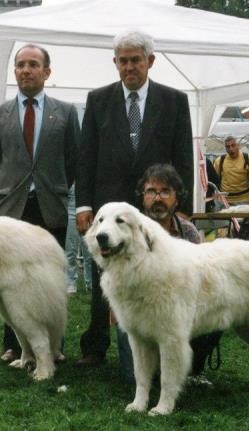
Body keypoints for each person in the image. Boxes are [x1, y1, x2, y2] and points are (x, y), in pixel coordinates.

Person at [75, 30, 193, 367]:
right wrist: (85, 205)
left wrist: (181, 208)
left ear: (150, 62)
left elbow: (183, 158)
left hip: (155, 207)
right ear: (115, 63)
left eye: (135, 60)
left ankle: (156, 343)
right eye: (123, 61)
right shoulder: (97, 100)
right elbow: (86, 157)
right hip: (108, 207)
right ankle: (95, 346)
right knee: (105, 275)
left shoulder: (174, 101)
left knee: (156, 276)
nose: (129, 67)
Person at [0, 43, 80, 363]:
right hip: (12, 209)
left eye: (33, 64)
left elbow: (73, 159)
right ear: (15, 71)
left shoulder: (66, 113)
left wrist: (54, 186)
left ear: (46, 72)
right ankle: (14, 344)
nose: (26, 70)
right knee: (7, 278)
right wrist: (14, 186)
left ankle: (55, 344)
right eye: (20, 65)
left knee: (50, 279)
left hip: (51, 205)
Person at [115, 163, 222, 385]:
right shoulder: (126, 233)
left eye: (165, 192)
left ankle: (191, 369)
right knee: (132, 379)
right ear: (142, 197)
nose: (158, 198)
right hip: (137, 315)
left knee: (215, 312)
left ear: (176, 198)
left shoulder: (188, 231)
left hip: (179, 312)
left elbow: (202, 275)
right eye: (151, 191)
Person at [213, 136, 249, 205]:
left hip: (244, 199)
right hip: (224, 200)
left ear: (238, 146)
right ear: (225, 148)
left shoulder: (248, 159)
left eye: (233, 145)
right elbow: (214, 181)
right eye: (228, 147)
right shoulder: (219, 161)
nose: (231, 149)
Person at [64, 184, 92, 294]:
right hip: (70, 195)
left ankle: (90, 283)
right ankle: (70, 283)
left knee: (89, 250)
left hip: (86, 197)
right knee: (70, 249)